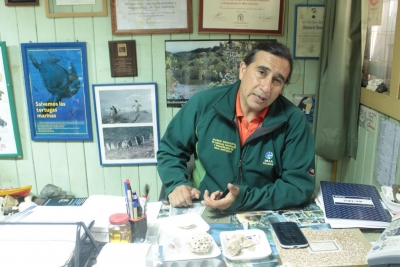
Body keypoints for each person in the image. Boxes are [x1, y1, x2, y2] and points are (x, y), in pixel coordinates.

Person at [157, 41, 315, 212]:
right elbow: (170, 149)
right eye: (262, 72)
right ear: (243, 70)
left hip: (259, 210)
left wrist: (243, 198)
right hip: (204, 206)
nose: (266, 87)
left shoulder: (294, 121)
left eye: (277, 80)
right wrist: (177, 183)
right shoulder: (203, 104)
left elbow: (299, 187)